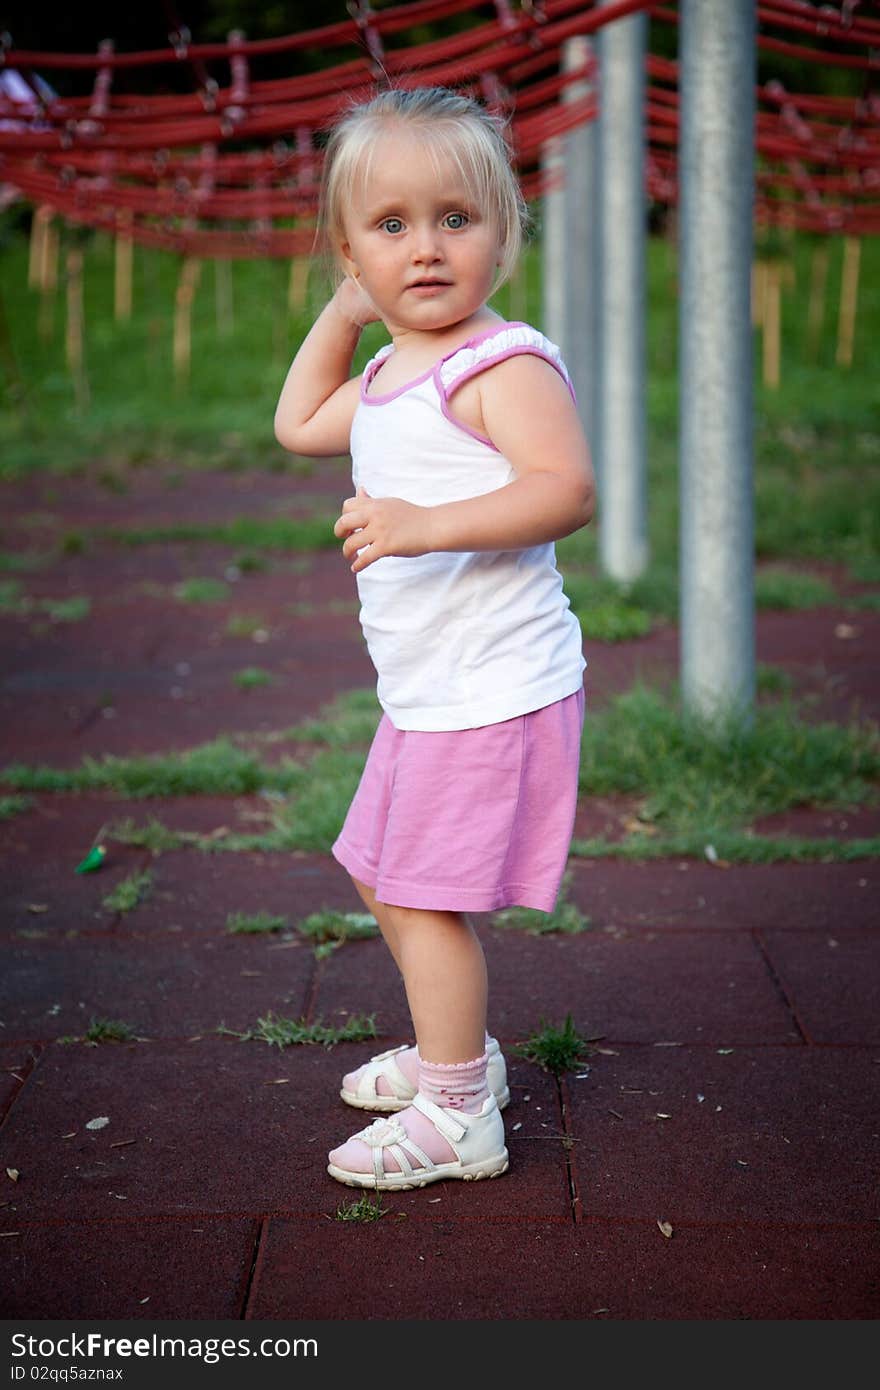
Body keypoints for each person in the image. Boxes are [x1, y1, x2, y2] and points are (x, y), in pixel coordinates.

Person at [274, 86, 595, 1191]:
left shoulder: (497, 363)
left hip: (495, 685)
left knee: (418, 892)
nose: (425, 249)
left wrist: (424, 525)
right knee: (377, 871)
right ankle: (457, 1051)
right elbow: (297, 424)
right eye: (391, 225)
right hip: (428, 688)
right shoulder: (388, 368)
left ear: (504, 231)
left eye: (456, 219)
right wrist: (346, 312)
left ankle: (458, 1112)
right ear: (350, 247)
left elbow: (565, 490)